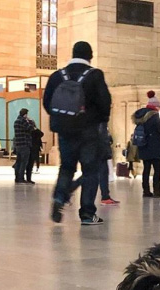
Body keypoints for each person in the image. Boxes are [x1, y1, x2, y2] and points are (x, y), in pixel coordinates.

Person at [43, 40, 111, 225]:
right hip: (88, 132)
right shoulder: (95, 75)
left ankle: (59, 197)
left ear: (73, 54)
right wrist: (99, 121)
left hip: (65, 132)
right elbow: (105, 102)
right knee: (90, 171)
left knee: (66, 167)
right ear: (90, 55)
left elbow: (47, 102)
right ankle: (88, 214)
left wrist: (65, 118)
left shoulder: (57, 76)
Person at [132, 90, 160, 198]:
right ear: (155, 107)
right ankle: (157, 191)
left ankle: (146, 191)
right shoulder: (155, 117)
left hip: (143, 146)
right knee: (157, 170)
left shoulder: (141, 117)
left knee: (146, 170)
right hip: (154, 147)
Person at [98, 122, 119, 205]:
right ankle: (105, 197)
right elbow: (102, 137)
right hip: (100, 151)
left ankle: (105, 196)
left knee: (101, 173)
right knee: (100, 173)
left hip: (97, 150)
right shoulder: (100, 122)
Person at [13, 108, 34, 184]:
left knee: (18, 161)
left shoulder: (16, 121)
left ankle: (17, 177)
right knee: (24, 162)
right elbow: (31, 128)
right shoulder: (23, 121)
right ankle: (21, 178)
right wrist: (30, 121)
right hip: (24, 144)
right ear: (25, 114)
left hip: (18, 145)